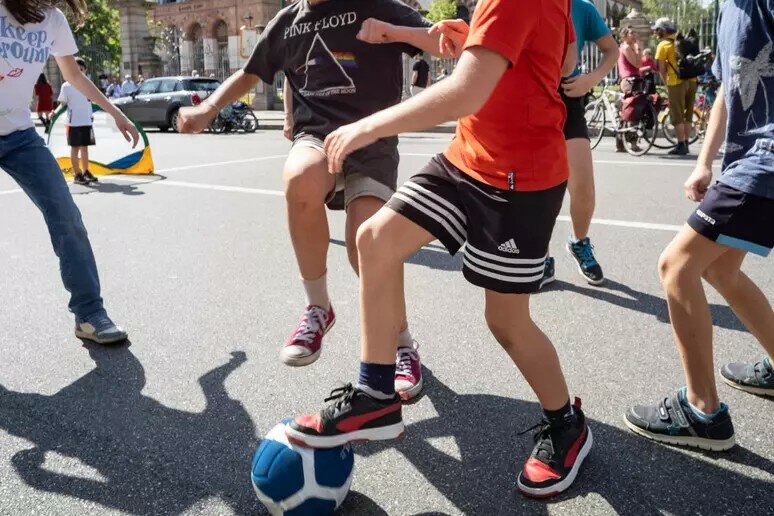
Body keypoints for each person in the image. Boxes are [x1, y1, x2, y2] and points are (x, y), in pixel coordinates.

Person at [286, 0, 593, 498]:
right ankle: (375, 393)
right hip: (467, 158)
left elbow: (467, 91)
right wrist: (458, 36)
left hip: (519, 178)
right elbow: (545, 59)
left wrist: (367, 125)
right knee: (375, 239)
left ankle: (567, 424)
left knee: (507, 322)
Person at [177, 0, 450, 400]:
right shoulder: (288, 21)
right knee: (300, 177)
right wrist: (208, 108)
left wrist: (394, 33)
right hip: (317, 136)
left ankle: (402, 343)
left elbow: (439, 42)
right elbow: (250, 72)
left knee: (367, 246)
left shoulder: (373, 5)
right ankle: (318, 308)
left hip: (370, 138)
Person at [625, 0, 774, 450]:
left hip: (765, 163)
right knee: (720, 269)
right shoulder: (730, 10)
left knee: (677, 268)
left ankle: (702, 411)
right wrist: (705, 163)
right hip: (745, 164)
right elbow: (731, 93)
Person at [0, 0, 138, 343]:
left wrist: (114, 111)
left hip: (19, 135)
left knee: (67, 217)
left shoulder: (53, 19)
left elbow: (73, 75)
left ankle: (89, 314)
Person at [540, 0, 618, 288]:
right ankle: (541, 257)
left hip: (569, 96)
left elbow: (612, 50)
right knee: (539, 188)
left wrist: (591, 80)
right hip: (534, 96)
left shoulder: (582, 8)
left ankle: (578, 242)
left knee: (583, 185)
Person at [654, 17, 697, 156]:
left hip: (676, 82)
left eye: (657, 30)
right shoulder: (682, 41)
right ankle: (686, 144)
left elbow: (661, 68)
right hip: (692, 81)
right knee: (688, 114)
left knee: (677, 115)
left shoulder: (663, 45)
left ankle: (681, 144)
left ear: (663, 30)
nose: (656, 32)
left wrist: (666, 84)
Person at [58, 58, 98, 185]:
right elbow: (62, 104)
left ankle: (86, 171)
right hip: (73, 123)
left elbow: (94, 100)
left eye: (82, 69)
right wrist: (54, 112)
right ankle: (77, 174)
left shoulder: (88, 84)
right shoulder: (66, 86)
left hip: (86, 121)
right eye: (76, 69)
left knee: (85, 148)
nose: (79, 72)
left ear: (85, 70)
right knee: (75, 149)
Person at [617, 26, 641, 94]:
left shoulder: (629, 48)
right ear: (624, 36)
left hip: (633, 79)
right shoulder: (626, 48)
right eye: (632, 33)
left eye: (635, 33)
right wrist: (639, 49)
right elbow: (638, 65)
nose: (635, 35)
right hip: (630, 81)